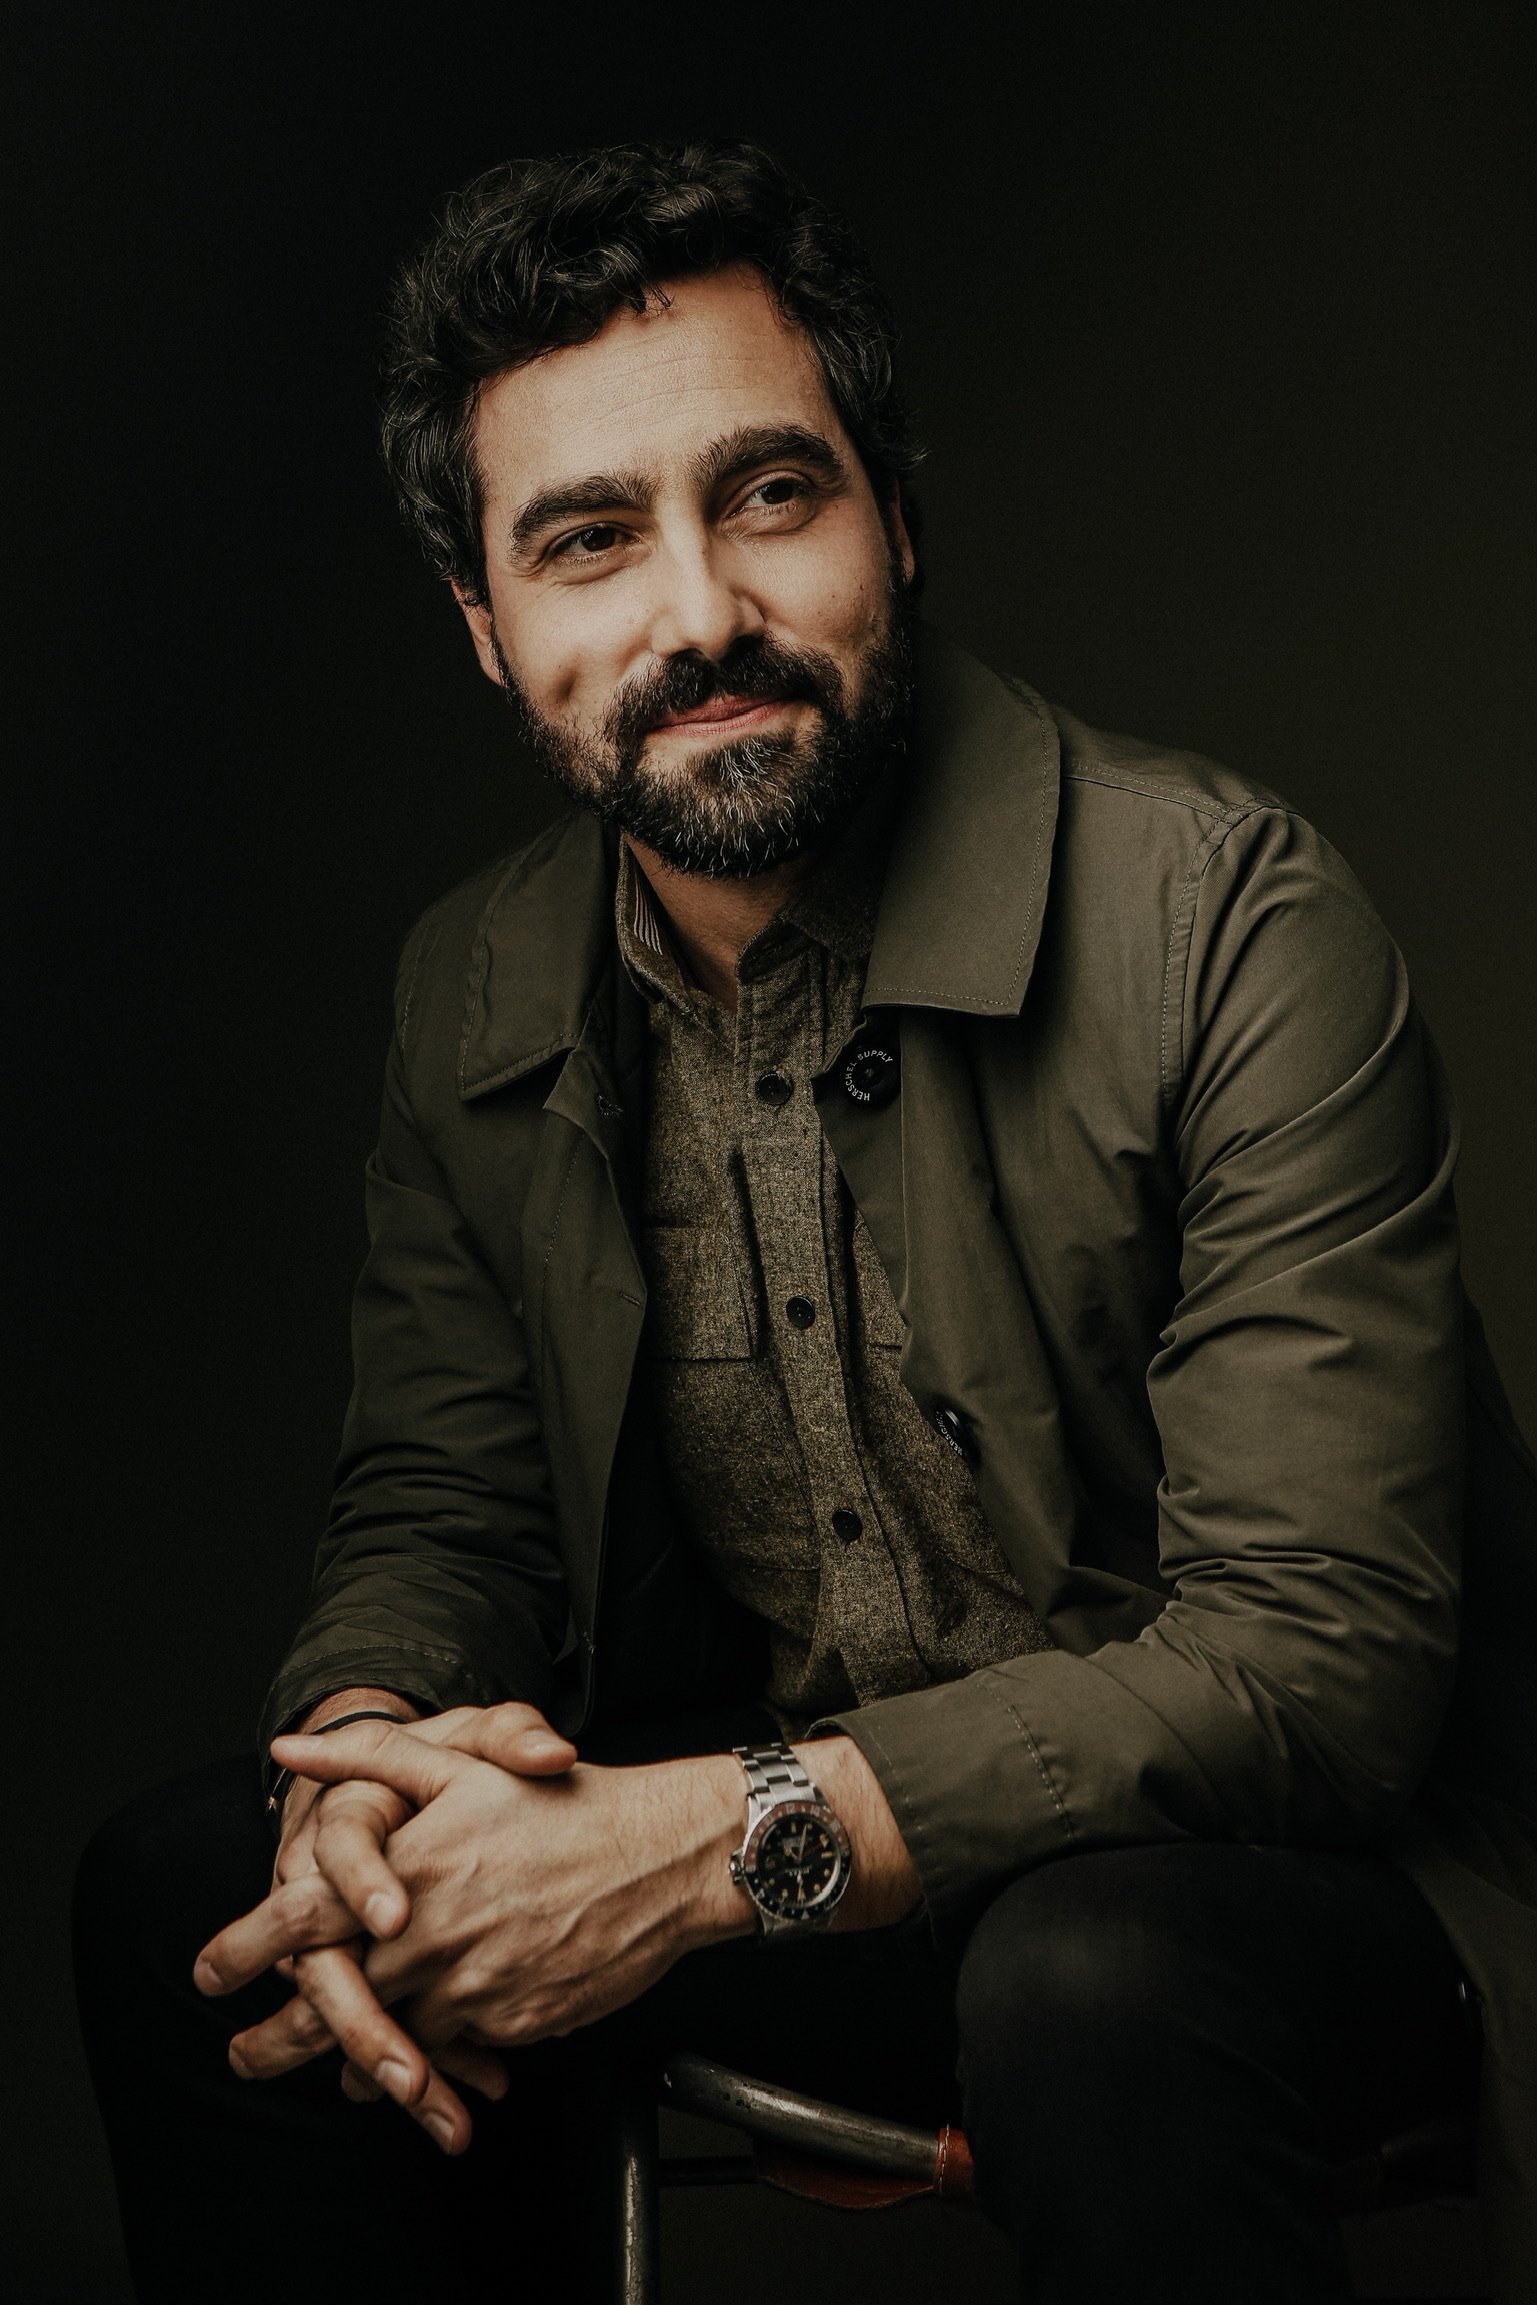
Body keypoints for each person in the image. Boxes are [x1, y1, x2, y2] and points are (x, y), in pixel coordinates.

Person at [75, 140, 1537, 2305]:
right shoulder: (475, 983)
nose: (697, 614)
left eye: (770, 493)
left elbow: (1309, 1669)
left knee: (1089, 1973)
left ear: (896, 519)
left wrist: (687, 1849)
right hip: (806, 1878)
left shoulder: (1226, 915)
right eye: (587, 539)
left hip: (1266, 1877)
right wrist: (363, 1767)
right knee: (211, 1901)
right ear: (486, 629)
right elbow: (447, 1511)